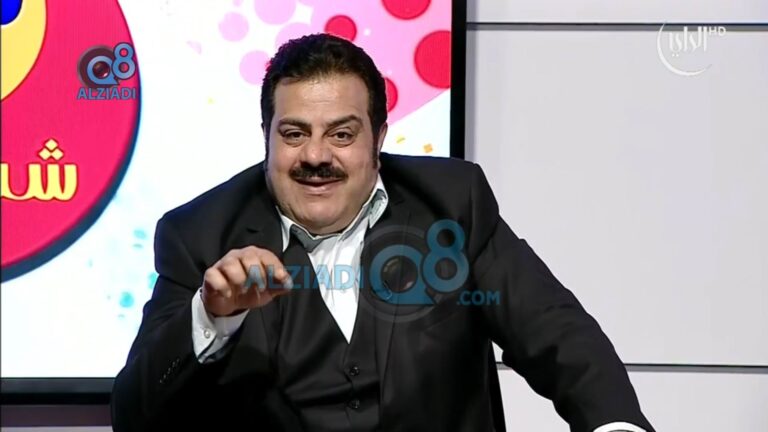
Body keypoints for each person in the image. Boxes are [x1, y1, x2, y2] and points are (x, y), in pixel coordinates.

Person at [111, 34, 655, 432]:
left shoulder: (452, 205)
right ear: (266, 136)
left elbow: (554, 331)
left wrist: (614, 426)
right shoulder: (199, 235)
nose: (315, 156)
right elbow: (134, 415)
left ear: (379, 137)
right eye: (294, 134)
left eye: (341, 134)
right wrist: (211, 318)